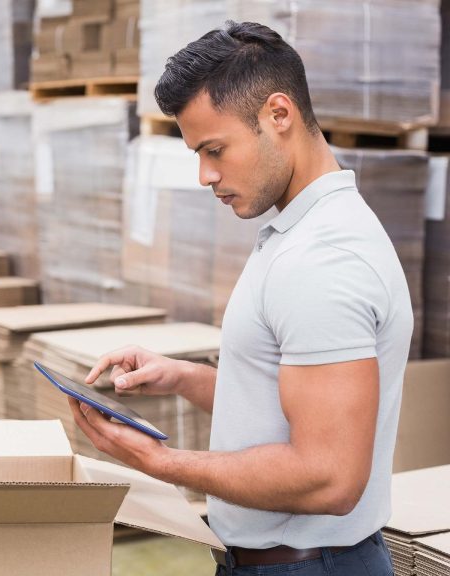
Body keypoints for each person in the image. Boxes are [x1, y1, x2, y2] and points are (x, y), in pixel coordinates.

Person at [71, 21, 410, 576]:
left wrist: (161, 461)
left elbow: (330, 475)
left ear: (279, 116)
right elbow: (290, 404)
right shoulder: (299, 235)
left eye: (215, 149)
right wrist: (181, 376)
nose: (205, 175)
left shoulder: (322, 261)